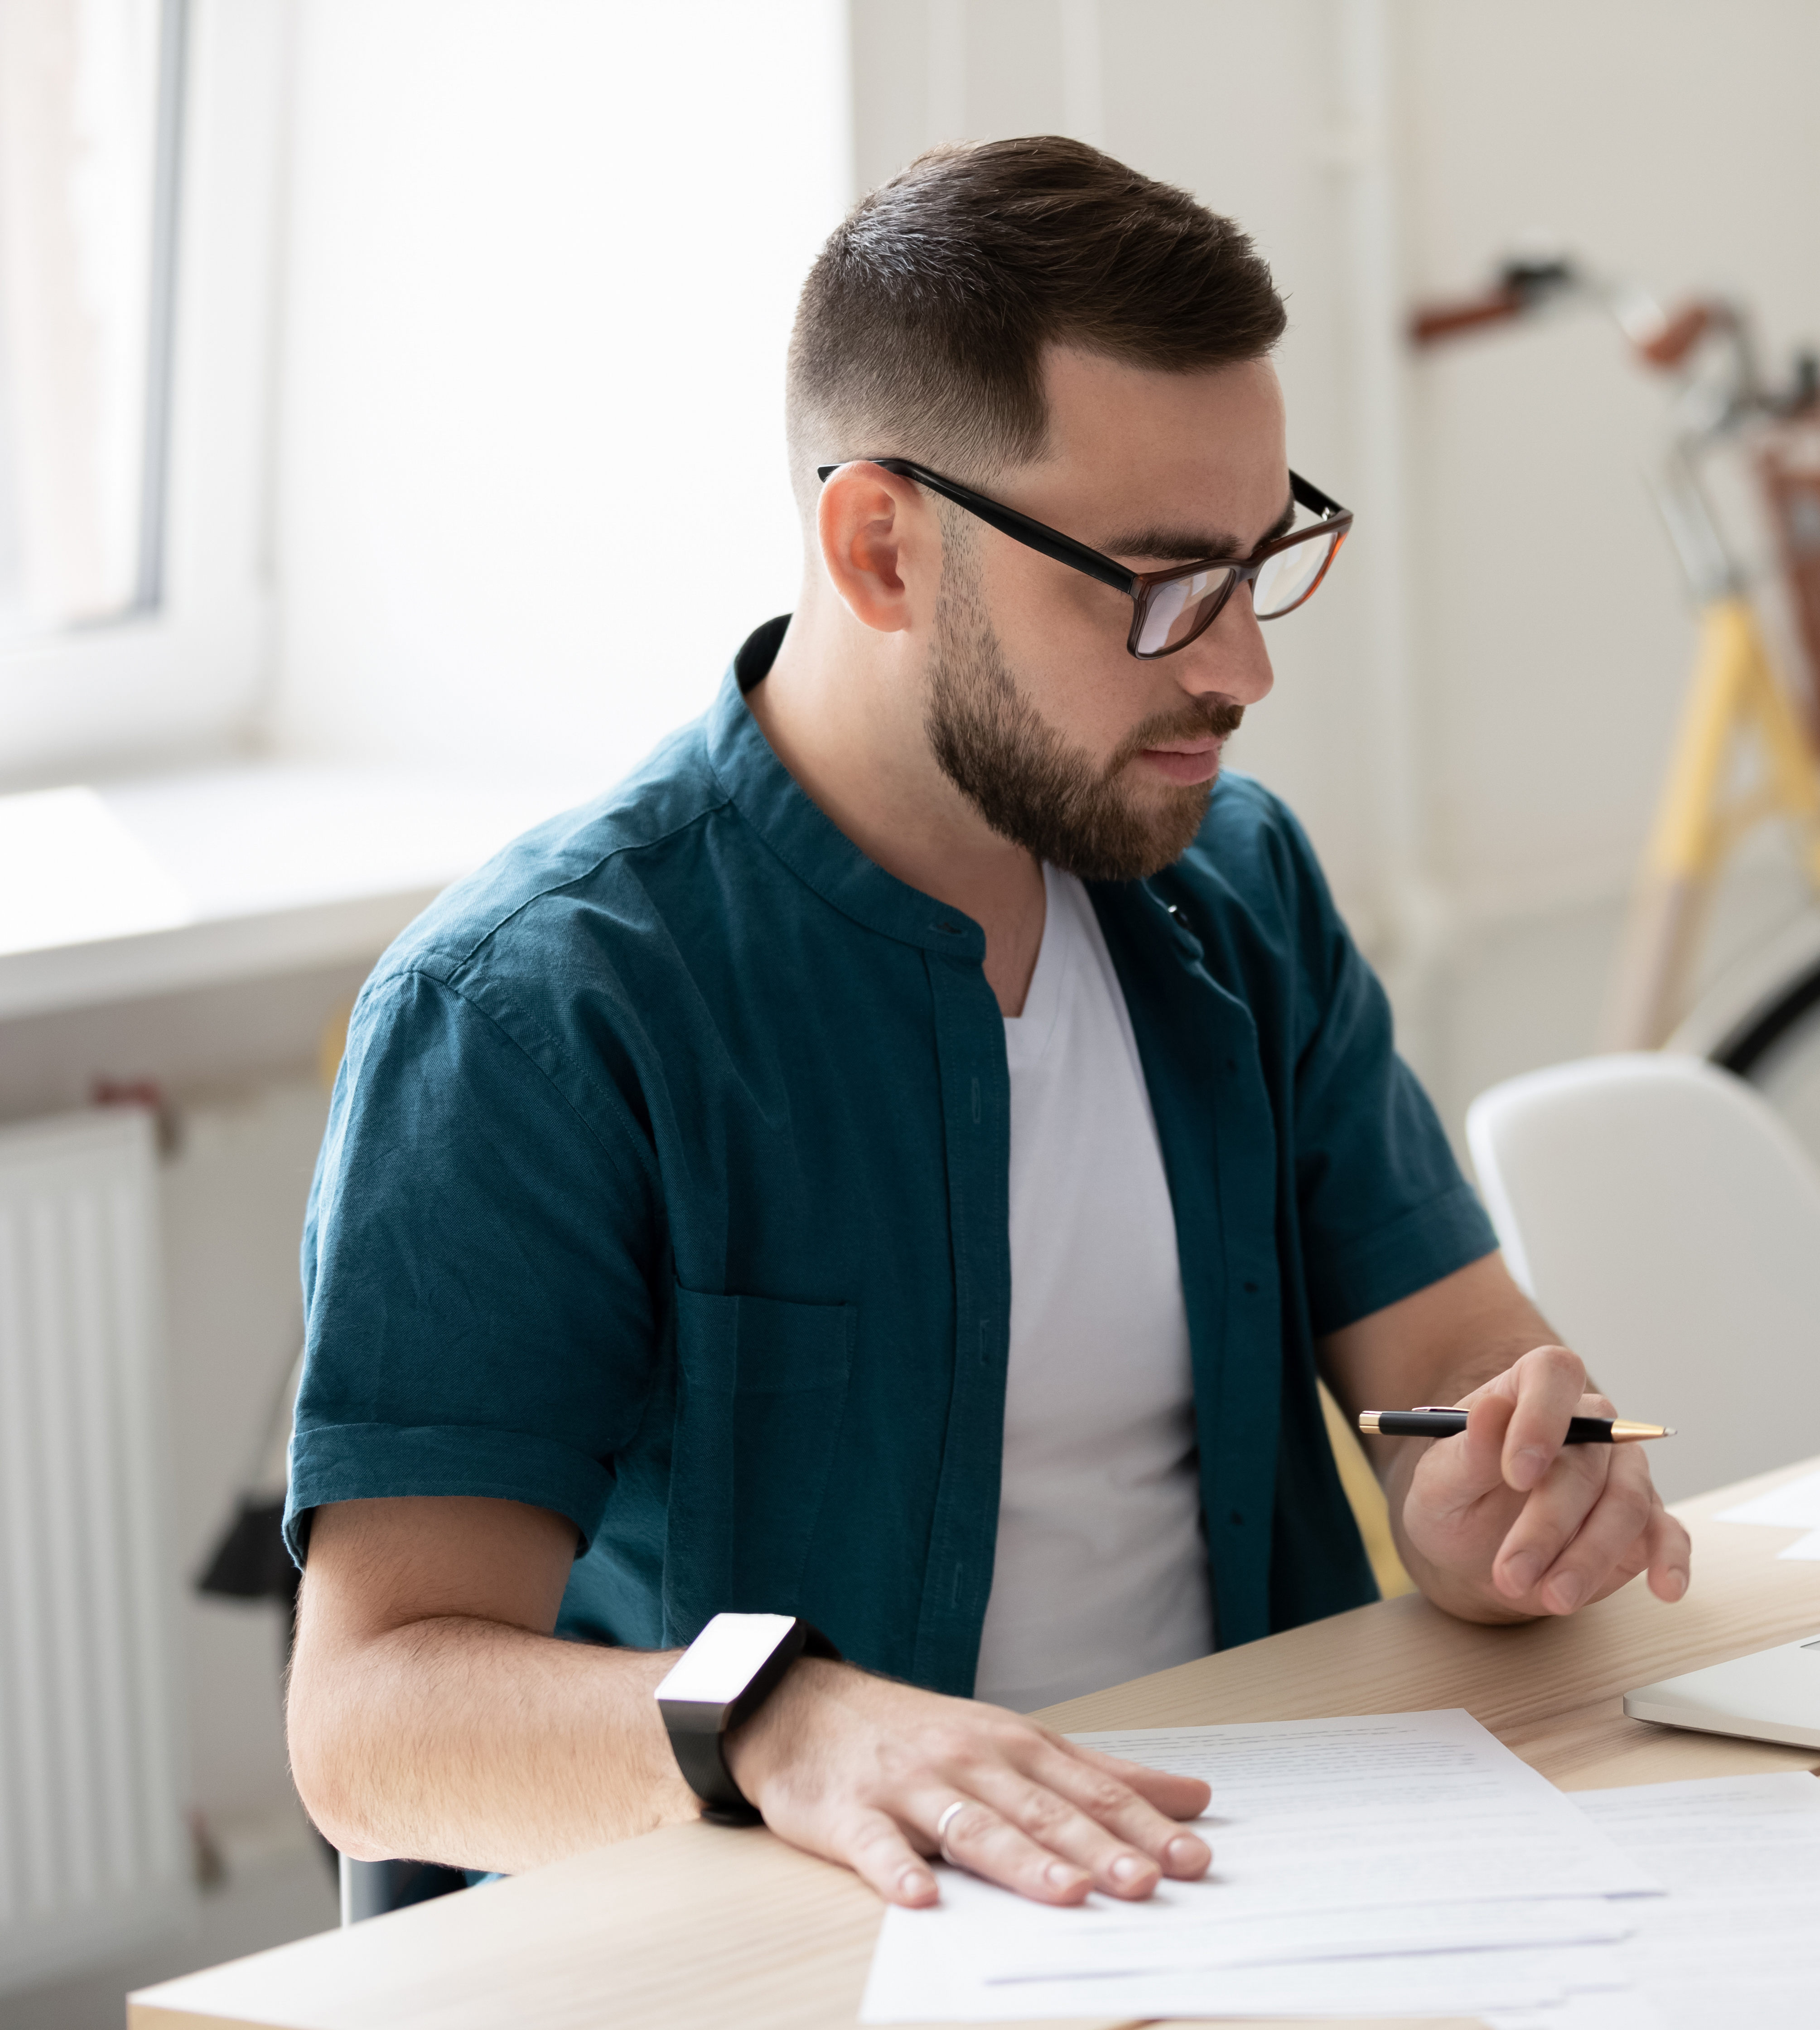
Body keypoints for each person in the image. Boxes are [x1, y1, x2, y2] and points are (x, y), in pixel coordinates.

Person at [282, 136, 1690, 1916]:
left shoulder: (1232, 890)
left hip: (1273, 1892)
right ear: (883, 545)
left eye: (1267, 561)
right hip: (796, 1948)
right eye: (1163, 583)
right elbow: (369, 1717)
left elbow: (1468, 1367)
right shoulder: (534, 1012)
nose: (1244, 666)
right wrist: (789, 1725)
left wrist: (1509, 1509)